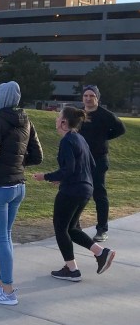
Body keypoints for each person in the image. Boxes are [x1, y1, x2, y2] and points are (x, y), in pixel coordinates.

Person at [0, 81, 43, 305]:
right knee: (7, 236)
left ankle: (7, 290)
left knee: (2, 238)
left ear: (0, 98)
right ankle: (3, 281)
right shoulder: (26, 121)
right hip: (18, 186)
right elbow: (37, 156)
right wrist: (16, 163)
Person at [33, 107, 116, 282]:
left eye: (58, 118)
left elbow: (68, 169)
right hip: (86, 189)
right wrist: (64, 178)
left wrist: (45, 177)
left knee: (60, 229)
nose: (56, 120)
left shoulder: (67, 141)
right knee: (71, 228)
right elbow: (91, 165)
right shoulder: (81, 139)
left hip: (71, 191)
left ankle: (72, 270)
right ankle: (101, 253)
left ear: (64, 123)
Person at [78, 85, 126, 242]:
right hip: (81, 159)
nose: (88, 98)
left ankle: (102, 229)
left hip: (99, 159)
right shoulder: (78, 114)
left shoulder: (106, 115)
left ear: (97, 98)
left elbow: (121, 129)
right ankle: (74, 225)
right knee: (77, 193)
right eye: (86, 95)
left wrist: (104, 138)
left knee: (99, 194)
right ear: (82, 97)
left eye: (92, 95)